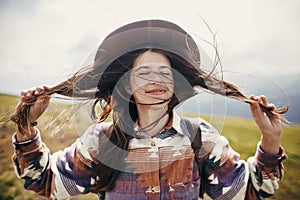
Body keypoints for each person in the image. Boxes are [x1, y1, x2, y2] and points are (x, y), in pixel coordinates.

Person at [11, 19, 288, 200]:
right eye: (143, 73)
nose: (156, 80)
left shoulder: (200, 137)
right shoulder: (102, 141)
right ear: (127, 84)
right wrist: (26, 130)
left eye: (164, 73)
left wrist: (271, 140)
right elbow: (45, 182)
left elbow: (252, 190)